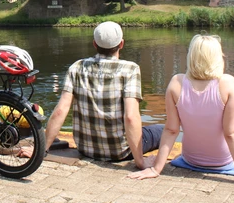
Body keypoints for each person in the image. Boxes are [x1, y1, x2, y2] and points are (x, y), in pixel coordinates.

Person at [128, 34, 234, 191]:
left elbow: (171, 130)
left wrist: (156, 169)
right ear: (217, 57)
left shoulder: (176, 82)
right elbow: (231, 133)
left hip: (190, 158)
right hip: (222, 160)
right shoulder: (227, 83)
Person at [24, 21, 163, 166]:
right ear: (121, 44)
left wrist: (40, 150)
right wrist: (140, 162)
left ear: (95, 44)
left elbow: (60, 111)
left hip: (86, 149)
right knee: (162, 130)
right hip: (121, 152)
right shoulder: (130, 69)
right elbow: (130, 117)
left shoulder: (76, 67)